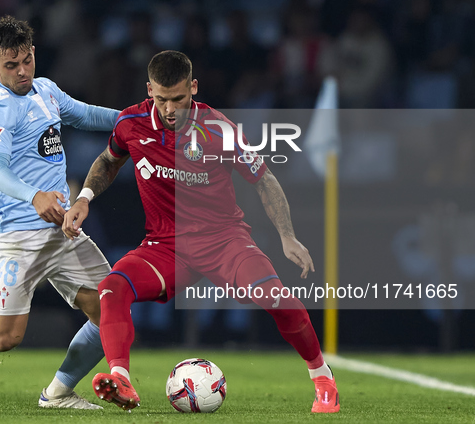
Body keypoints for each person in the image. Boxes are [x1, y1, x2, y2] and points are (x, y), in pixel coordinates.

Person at [63, 50, 340, 413]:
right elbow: (109, 159)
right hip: (165, 246)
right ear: (149, 91)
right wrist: (84, 197)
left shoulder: (219, 130)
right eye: (161, 99)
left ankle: (322, 378)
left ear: (193, 87)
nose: (170, 108)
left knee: (277, 298)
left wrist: (287, 235)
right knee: (112, 288)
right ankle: (122, 379)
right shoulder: (131, 123)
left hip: (225, 242)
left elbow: (264, 180)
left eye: (179, 98)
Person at [0, 15, 119, 410]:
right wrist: (34, 196)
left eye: (27, 60)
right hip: (17, 236)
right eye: (11, 65)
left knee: (111, 308)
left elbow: (85, 114)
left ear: (33, 53)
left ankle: (58, 392)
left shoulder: (45, 90)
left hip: (62, 230)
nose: (23, 71)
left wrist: (132, 120)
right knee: (6, 338)